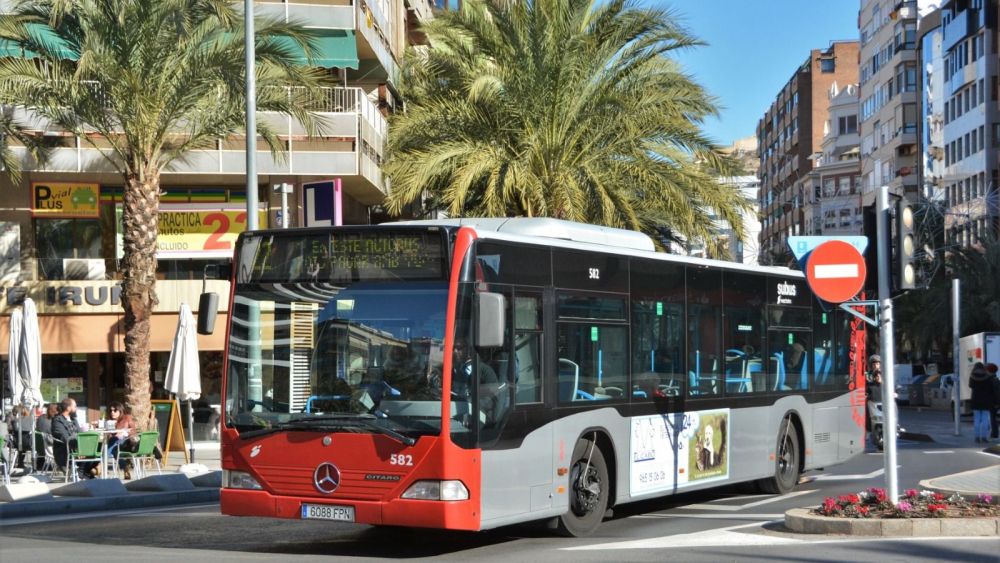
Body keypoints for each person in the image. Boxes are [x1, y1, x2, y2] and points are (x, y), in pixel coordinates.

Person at [51, 398, 94, 479]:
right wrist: (79, 449)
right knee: (89, 451)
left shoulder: (73, 419)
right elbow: (66, 438)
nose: (76, 408)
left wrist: (84, 447)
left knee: (96, 448)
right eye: (75, 406)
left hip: (77, 447)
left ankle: (83, 471)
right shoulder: (57, 421)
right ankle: (81, 472)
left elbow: (80, 434)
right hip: (65, 452)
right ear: (68, 408)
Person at [969, 362, 997, 444]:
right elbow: (991, 388)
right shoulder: (987, 376)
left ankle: (977, 437)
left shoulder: (972, 376)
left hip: (975, 399)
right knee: (985, 419)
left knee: (977, 419)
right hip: (986, 400)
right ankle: (984, 437)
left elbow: (970, 385)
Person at [865, 354, 882, 446]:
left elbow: (892, 385)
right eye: (874, 364)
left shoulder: (885, 374)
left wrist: (894, 392)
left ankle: (895, 426)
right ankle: (868, 429)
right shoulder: (868, 375)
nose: (876, 366)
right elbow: (864, 385)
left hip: (884, 399)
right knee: (866, 412)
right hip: (872, 399)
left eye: (878, 364)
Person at [987, 363, 999, 440]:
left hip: (993, 403)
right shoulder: (995, 379)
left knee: (992, 418)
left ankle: (994, 433)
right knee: (993, 418)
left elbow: (996, 393)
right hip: (994, 402)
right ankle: (994, 433)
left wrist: (997, 403)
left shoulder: (992, 380)